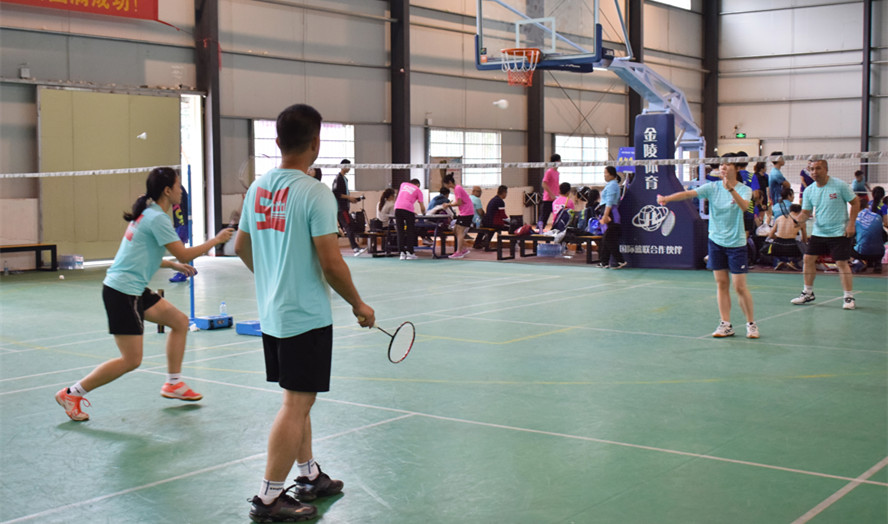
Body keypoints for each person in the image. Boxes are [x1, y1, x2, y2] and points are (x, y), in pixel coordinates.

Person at [235, 104, 375, 522]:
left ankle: (309, 475)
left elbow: (241, 246)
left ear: (278, 142)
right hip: (305, 316)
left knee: (297, 397)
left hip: (274, 313)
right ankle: (268, 498)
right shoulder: (315, 193)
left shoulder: (257, 188)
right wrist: (358, 304)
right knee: (296, 404)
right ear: (316, 143)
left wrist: (272, 277)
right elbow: (331, 262)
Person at [54, 167, 234, 422]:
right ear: (167, 191)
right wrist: (216, 240)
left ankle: (173, 383)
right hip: (122, 292)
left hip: (133, 289)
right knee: (131, 360)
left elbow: (140, 253)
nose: (181, 191)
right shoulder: (157, 218)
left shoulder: (148, 214)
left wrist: (172, 265)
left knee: (179, 321)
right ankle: (71, 393)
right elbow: (184, 253)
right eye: (178, 186)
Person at [658, 153, 759, 339]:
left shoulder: (744, 189)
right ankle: (725, 324)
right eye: (721, 164)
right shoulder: (712, 187)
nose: (723, 167)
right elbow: (688, 194)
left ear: (737, 168)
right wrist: (668, 198)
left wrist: (731, 190)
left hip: (736, 244)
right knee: (721, 284)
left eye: (728, 164)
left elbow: (745, 207)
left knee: (739, 287)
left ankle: (751, 324)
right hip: (716, 242)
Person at [790, 159, 861, 310]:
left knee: (841, 263)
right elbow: (806, 212)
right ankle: (807, 293)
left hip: (839, 232)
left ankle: (848, 296)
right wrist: (798, 220)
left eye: (818, 168)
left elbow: (855, 203)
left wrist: (851, 224)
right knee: (808, 259)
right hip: (819, 232)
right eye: (812, 169)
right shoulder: (809, 190)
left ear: (826, 169)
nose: (814, 172)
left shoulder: (840, 185)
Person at [331, 159, 364, 255]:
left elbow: (343, 194)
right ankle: (355, 248)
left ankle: (335, 249)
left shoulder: (345, 179)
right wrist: (349, 198)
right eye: (348, 166)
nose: (349, 168)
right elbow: (336, 193)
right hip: (341, 209)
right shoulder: (338, 178)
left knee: (344, 228)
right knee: (349, 227)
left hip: (344, 207)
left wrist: (351, 199)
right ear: (343, 166)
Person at [851, 186, 887, 273]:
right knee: (881, 238)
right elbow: (886, 223)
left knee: (858, 238)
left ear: (872, 194)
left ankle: (862, 260)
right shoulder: (883, 206)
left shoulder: (869, 204)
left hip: (863, 231)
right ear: (883, 196)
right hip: (878, 229)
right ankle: (877, 262)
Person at [598, 166, 628, 269]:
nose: (604, 175)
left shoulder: (612, 185)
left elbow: (609, 202)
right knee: (606, 239)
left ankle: (620, 261)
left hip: (611, 215)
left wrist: (606, 215)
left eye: (605, 173)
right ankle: (604, 262)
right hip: (607, 212)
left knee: (609, 239)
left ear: (611, 174)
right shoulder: (610, 185)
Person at [767, 203, 807, 271]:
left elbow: (771, 235)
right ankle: (793, 262)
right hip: (791, 246)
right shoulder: (801, 221)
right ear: (800, 212)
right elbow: (804, 240)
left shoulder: (779, 218)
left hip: (777, 245)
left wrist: (778, 238)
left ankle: (780, 261)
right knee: (803, 247)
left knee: (773, 246)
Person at [443, 173, 474, 259]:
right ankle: (463, 249)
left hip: (467, 212)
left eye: (445, 184)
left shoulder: (457, 188)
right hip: (464, 212)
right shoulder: (457, 188)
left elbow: (459, 202)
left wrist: (448, 204)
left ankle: (459, 252)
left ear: (449, 182)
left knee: (460, 231)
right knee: (456, 229)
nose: (445, 186)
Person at [394, 178, 426, 260]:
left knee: (400, 231)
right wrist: (424, 214)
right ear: (418, 185)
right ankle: (410, 253)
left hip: (397, 208)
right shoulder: (418, 190)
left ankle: (402, 253)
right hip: (408, 209)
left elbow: (403, 197)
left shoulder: (403, 184)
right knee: (410, 231)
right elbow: (422, 207)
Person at [169, 181, 191, 282]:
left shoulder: (178, 190)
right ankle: (186, 269)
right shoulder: (174, 191)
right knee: (180, 249)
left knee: (180, 250)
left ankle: (184, 272)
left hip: (183, 225)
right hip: (180, 224)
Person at [475, 185, 509, 249]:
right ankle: (514, 243)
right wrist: (510, 220)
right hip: (492, 222)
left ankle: (477, 243)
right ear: (504, 192)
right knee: (509, 226)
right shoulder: (500, 201)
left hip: (485, 221)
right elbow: (503, 215)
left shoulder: (493, 199)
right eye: (506, 193)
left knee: (491, 227)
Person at [540, 154, 560, 227]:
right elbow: (544, 184)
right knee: (543, 218)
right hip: (548, 199)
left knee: (558, 217)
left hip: (556, 199)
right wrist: (551, 194)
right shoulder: (549, 172)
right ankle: (539, 231)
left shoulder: (557, 173)